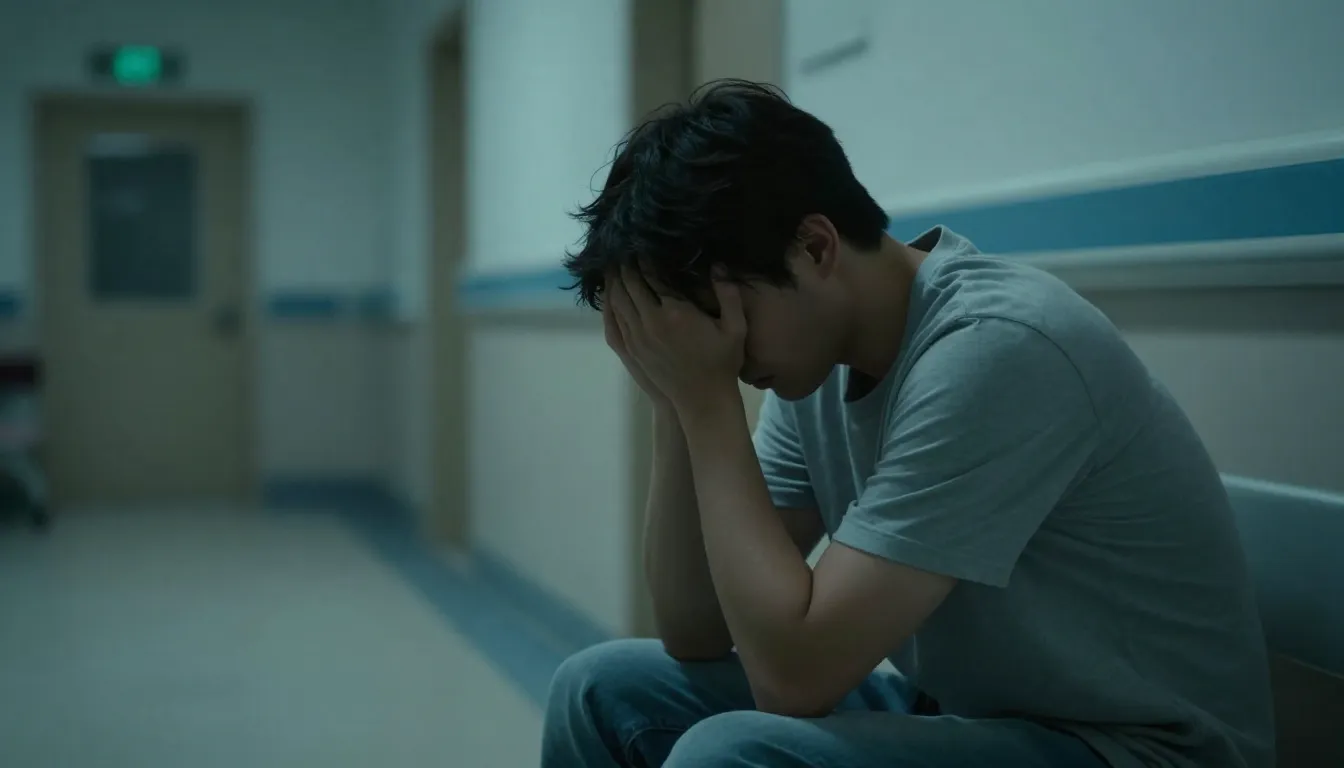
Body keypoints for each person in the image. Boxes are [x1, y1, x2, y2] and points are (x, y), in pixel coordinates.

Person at [543, 80, 1276, 768]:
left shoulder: (997, 347)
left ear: (815, 247)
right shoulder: (814, 362)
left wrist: (706, 403)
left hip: (1133, 747)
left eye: (725, 318)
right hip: (970, 714)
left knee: (732, 756)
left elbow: (793, 679)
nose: (723, 353)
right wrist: (674, 400)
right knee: (599, 688)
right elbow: (696, 628)